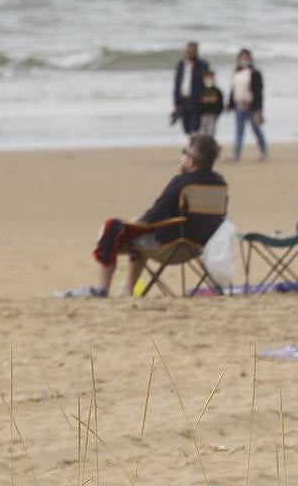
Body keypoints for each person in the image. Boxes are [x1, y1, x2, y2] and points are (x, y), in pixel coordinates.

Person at [89, 134, 226, 297]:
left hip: (171, 246)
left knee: (111, 227)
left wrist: (136, 222)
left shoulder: (181, 183)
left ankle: (103, 289)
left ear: (190, 161)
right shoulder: (220, 183)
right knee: (138, 235)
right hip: (199, 246)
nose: (182, 156)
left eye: (185, 152)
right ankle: (127, 289)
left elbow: (154, 215)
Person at [227, 48, 268, 161]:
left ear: (250, 58)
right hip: (238, 105)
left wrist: (259, 108)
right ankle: (236, 154)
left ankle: (264, 151)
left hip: (252, 106)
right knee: (239, 130)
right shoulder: (236, 72)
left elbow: (259, 92)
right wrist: (230, 104)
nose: (244, 59)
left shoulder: (255, 72)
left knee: (256, 130)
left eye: (246, 57)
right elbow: (233, 89)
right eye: (242, 57)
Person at [171, 41, 210, 135]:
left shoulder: (203, 65)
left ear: (197, 51)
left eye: (193, 50)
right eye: (189, 50)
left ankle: (194, 148)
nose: (191, 52)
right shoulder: (181, 65)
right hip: (183, 101)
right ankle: (193, 146)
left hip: (196, 101)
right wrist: (176, 103)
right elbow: (177, 84)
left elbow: (208, 84)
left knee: (195, 128)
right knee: (186, 128)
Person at [196, 70, 225, 137]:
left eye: (210, 77)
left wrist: (217, 113)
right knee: (202, 132)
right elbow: (197, 103)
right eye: (207, 77)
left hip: (212, 115)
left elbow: (220, 104)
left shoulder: (217, 91)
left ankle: (209, 145)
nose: (208, 79)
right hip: (202, 115)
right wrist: (198, 113)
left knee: (210, 132)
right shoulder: (200, 90)